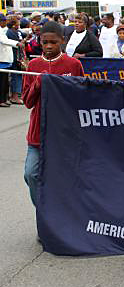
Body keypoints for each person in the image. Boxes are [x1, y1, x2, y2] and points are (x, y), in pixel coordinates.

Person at [22, 21, 84, 207]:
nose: (49, 46)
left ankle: (61, 216)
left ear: (62, 41)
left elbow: (81, 97)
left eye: (54, 42)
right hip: (38, 133)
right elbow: (27, 101)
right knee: (31, 174)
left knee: (65, 178)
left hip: (64, 133)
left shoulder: (73, 64)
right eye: (45, 42)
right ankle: (43, 211)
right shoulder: (33, 64)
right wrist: (38, 84)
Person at [0, 14, 23, 107]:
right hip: (2, 60)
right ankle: (1, 100)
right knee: (2, 81)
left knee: (5, 81)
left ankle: (4, 98)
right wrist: (17, 43)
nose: (5, 22)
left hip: (5, 59)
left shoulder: (3, 29)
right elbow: (4, 40)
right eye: (4, 20)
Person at [6, 16, 28, 105]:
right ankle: (14, 96)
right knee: (15, 77)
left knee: (18, 76)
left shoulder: (16, 32)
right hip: (15, 56)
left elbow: (24, 37)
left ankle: (16, 95)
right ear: (13, 24)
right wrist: (22, 41)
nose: (18, 25)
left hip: (18, 56)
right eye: (17, 24)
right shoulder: (10, 32)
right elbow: (18, 43)